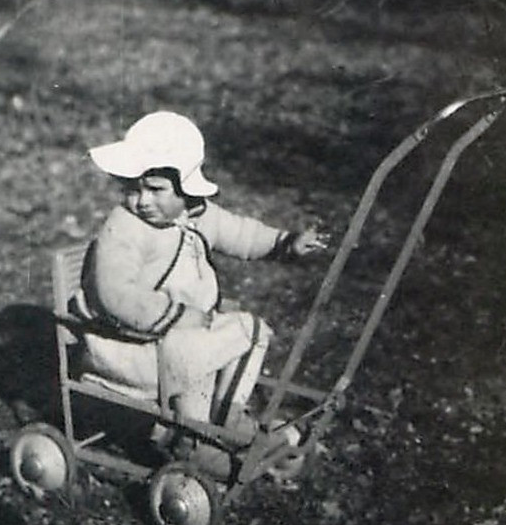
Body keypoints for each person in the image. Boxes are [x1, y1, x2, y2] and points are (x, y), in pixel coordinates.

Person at [72, 111, 326, 444]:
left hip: (182, 334)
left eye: (155, 189)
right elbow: (116, 294)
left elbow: (240, 234)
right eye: (133, 189)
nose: (142, 200)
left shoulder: (197, 214)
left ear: (185, 190)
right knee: (197, 357)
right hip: (131, 344)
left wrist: (287, 243)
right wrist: (179, 316)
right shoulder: (123, 228)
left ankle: (227, 414)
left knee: (250, 330)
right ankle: (193, 439)